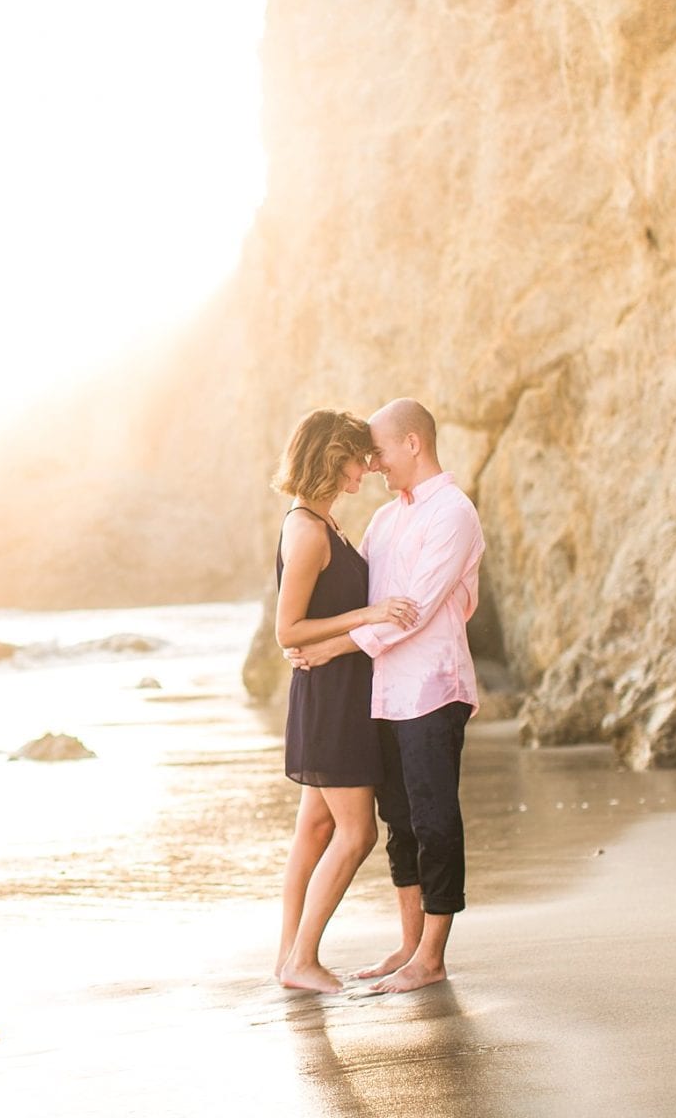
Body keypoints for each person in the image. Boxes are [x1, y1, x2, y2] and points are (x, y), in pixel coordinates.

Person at [286, 398, 484, 994]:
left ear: (413, 445)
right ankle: (407, 943)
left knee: (434, 819)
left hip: (432, 688)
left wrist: (332, 648)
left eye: (378, 452)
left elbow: (416, 613)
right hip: (382, 695)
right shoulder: (383, 521)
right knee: (398, 821)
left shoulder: (453, 513)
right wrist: (306, 636)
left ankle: (432, 956)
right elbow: (356, 595)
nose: (371, 465)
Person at [269, 408, 420, 994]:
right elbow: (288, 629)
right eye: (361, 456)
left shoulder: (321, 523)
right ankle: (303, 958)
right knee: (357, 835)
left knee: (313, 831)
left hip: (335, 690)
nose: (368, 467)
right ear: (334, 456)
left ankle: (287, 957)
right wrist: (372, 613)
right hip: (331, 699)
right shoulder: (307, 529)